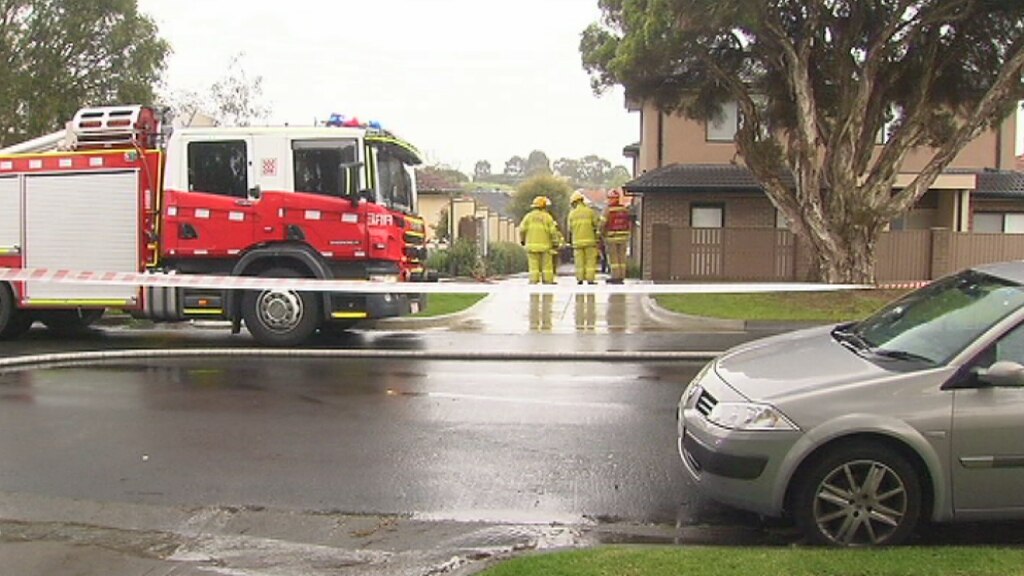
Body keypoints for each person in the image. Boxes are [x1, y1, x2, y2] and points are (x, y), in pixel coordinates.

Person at [519, 195, 562, 284]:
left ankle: (534, 280)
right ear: (544, 206)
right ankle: (548, 280)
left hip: (531, 245)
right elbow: (553, 232)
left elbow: (522, 230)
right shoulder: (548, 217)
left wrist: (523, 241)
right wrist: (555, 243)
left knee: (533, 265)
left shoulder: (528, 217)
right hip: (545, 246)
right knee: (547, 265)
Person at [567, 191, 600, 285]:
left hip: (577, 242)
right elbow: (596, 224)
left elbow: (570, 228)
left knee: (579, 261)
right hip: (590, 241)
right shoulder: (590, 212)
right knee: (590, 261)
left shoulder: (572, 214)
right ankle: (590, 279)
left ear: (574, 202)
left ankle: (580, 279)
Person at [601, 189, 631, 284]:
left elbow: (602, 223)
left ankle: (615, 277)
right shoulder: (624, 209)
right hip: (623, 238)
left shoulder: (608, 210)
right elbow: (629, 223)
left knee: (614, 259)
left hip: (612, 237)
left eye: (609, 198)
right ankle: (621, 276)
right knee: (622, 259)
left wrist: (600, 233)